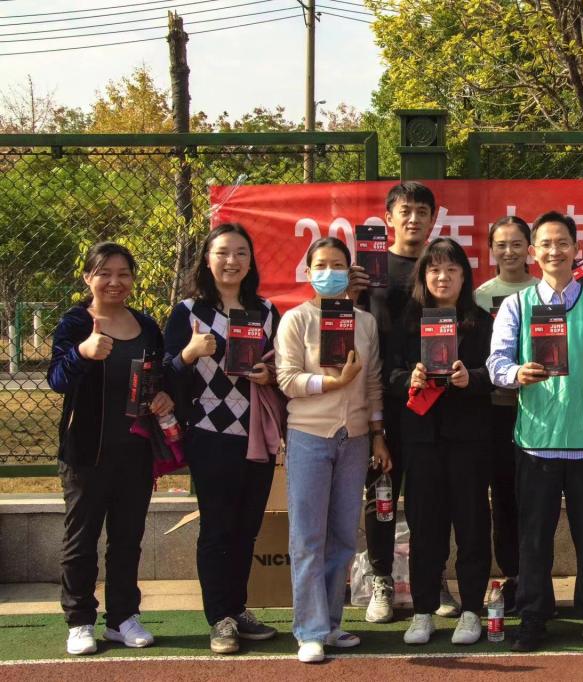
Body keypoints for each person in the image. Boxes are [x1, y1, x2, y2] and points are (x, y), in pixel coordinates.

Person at [487, 211, 583, 654]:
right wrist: (516, 373)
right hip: (536, 441)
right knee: (534, 536)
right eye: (545, 244)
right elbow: (496, 362)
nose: (554, 251)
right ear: (534, 252)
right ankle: (534, 616)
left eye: (562, 242)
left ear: (576, 249)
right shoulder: (516, 304)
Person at [48, 242, 173, 655]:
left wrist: (163, 396)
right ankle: (79, 620)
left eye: (123, 273)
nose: (115, 282)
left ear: (133, 279)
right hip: (87, 453)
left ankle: (122, 618)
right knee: (80, 541)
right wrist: (82, 353)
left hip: (136, 453)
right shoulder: (75, 322)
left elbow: (159, 377)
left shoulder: (147, 326)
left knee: (127, 539)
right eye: (104, 273)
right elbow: (57, 380)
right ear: (88, 278)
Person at [163, 223, 281, 654]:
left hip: (257, 433)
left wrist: (270, 375)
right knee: (217, 528)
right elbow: (165, 374)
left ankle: (238, 607)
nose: (232, 261)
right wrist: (190, 353)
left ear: (251, 261)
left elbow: (282, 367)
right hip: (210, 435)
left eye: (241, 253)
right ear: (207, 260)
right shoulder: (188, 312)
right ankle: (220, 618)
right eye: (223, 253)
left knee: (247, 529)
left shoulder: (266, 310)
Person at [275, 237, 392, 663]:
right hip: (309, 435)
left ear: (350, 271)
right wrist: (332, 383)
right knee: (308, 536)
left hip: (355, 438)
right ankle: (309, 630)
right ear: (308, 273)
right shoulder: (295, 320)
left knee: (343, 535)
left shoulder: (364, 322)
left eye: (338, 264)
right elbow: (286, 379)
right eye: (321, 265)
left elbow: (373, 380)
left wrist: (377, 433)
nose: (329, 272)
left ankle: (331, 624)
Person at [356, 181, 459, 623]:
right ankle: (380, 579)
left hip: (429, 400)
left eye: (422, 211)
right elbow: (346, 328)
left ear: (433, 219)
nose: (413, 218)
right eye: (405, 211)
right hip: (379, 399)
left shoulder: (439, 266)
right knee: (380, 494)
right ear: (389, 218)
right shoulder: (369, 271)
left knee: (429, 496)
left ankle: (432, 577)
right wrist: (349, 293)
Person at [389, 238, 495, 645]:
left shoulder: (481, 322)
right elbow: (389, 375)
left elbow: (497, 371)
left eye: (452, 269)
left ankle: (471, 611)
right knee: (425, 527)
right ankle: (422, 611)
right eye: (434, 269)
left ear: (464, 277)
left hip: (469, 439)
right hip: (421, 440)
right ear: (423, 276)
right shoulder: (406, 322)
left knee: (472, 525)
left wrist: (472, 378)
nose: (443, 277)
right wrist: (409, 378)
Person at [473, 216, 540, 613]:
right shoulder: (479, 297)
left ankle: (536, 578)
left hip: (541, 411)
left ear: (529, 248)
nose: (509, 251)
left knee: (536, 498)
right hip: (496, 413)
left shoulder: (545, 291)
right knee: (502, 496)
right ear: (491, 249)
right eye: (501, 244)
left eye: (517, 243)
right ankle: (512, 576)